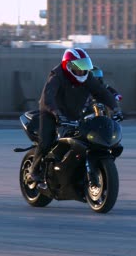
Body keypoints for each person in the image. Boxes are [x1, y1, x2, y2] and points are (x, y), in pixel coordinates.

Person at [27, 48, 123, 182]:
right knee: (47, 140)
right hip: (51, 112)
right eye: (78, 67)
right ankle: (34, 170)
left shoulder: (87, 77)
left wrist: (115, 109)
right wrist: (57, 114)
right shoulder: (57, 76)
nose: (81, 71)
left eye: (84, 66)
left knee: (85, 139)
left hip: (74, 113)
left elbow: (101, 92)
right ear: (68, 66)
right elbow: (47, 99)